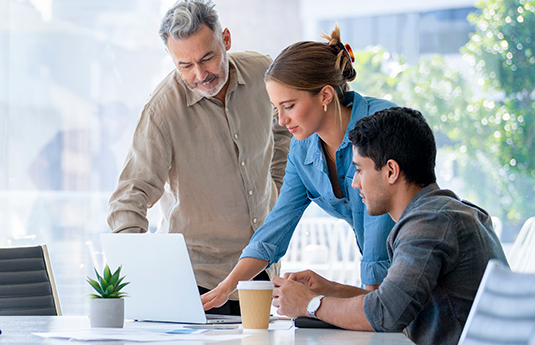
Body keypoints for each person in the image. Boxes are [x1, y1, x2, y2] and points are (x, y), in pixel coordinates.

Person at [107, 0, 291, 315]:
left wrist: (274, 184)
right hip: (197, 282)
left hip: (259, 270)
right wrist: (143, 277)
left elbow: (283, 129)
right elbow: (129, 199)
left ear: (226, 40)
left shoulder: (263, 71)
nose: (200, 74)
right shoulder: (162, 111)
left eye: (208, 57)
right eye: (185, 65)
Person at [272, 107, 508, 345]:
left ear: (391, 171)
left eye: (360, 169)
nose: (354, 183)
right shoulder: (443, 212)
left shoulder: (430, 222)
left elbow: (386, 313)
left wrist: (310, 304)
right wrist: (327, 289)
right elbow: (392, 302)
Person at [202, 26, 396, 311]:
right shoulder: (303, 149)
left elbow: (378, 237)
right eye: (276, 108)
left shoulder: (380, 126)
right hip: (388, 288)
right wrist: (225, 288)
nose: (281, 121)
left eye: (289, 106)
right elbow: (275, 228)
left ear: (326, 95)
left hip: (420, 271)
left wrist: (350, 306)